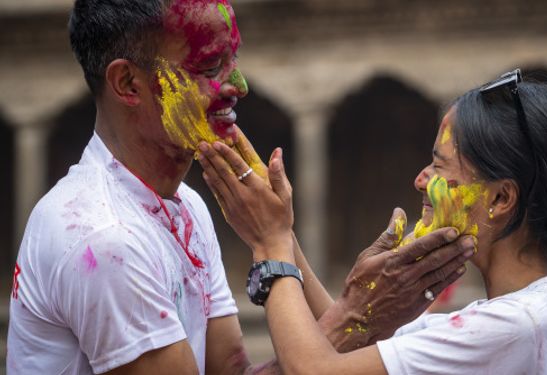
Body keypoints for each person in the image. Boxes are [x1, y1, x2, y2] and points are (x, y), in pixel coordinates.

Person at [7, 0, 474, 374]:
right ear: (128, 83)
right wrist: (357, 315)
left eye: (233, 60)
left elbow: (231, 370)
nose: (238, 84)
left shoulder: (183, 206)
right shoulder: (105, 241)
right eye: (210, 67)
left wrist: (286, 244)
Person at [197, 69, 547, 374]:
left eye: (440, 167)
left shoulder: (518, 326)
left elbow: (311, 369)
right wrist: (282, 229)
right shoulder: (526, 314)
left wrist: (270, 247)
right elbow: (350, 342)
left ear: (502, 198)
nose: (420, 179)